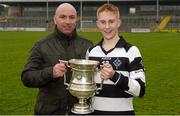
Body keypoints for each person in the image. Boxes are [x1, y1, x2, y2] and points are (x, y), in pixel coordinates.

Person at [21, 3, 93, 115]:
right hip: (49, 112)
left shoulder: (87, 45)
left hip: (80, 111)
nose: (68, 21)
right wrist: (51, 73)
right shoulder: (41, 45)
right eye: (63, 17)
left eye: (72, 17)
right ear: (55, 19)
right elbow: (27, 77)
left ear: (76, 20)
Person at [86, 3, 146, 115]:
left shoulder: (131, 51)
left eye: (111, 21)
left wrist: (114, 75)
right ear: (98, 24)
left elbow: (140, 90)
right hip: (94, 113)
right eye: (103, 22)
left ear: (119, 22)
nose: (107, 26)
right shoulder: (91, 52)